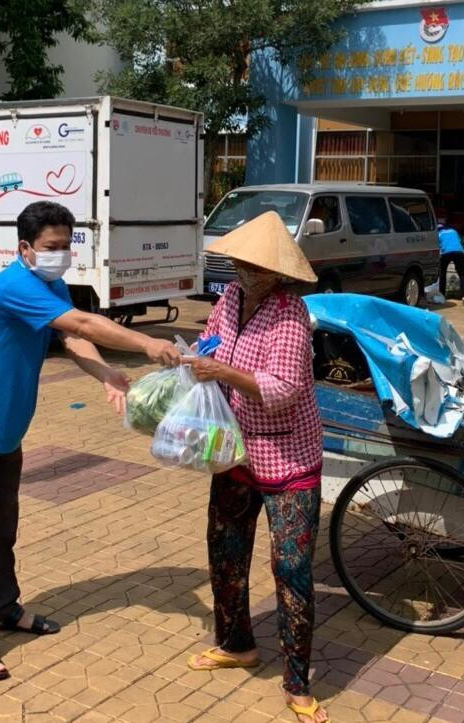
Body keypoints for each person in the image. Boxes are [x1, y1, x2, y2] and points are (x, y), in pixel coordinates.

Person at [0, 201, 181, 682]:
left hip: (4, 430)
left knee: (2, 527)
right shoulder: (15, 286)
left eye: (67, 246)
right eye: (52, 247)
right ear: (24, 248)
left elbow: (72, 337)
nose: (61, 255)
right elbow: (87, 324)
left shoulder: (48, 284)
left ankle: (2, 608)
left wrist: (106, 373)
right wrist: (147, 345)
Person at [184, 211, 328, 723]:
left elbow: (284, 390)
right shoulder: (229, 298)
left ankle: (297, 682)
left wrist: (223, 369)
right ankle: (236, 642)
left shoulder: (291, 316)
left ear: (275, 271)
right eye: (238, 261)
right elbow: (213, 339)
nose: (241, 269)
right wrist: (192, 358)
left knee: (290, 569)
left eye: (252, 264)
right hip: (234, 452)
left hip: (287, 459)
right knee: (224, 551)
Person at [437, 221, 464, 306]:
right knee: (462, 274)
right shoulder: (453, 231)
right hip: (458, 252)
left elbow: (438, 246)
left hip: (445, 253)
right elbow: (459, 241)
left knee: (442, 273)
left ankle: (442, 295)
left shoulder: (438, 234)